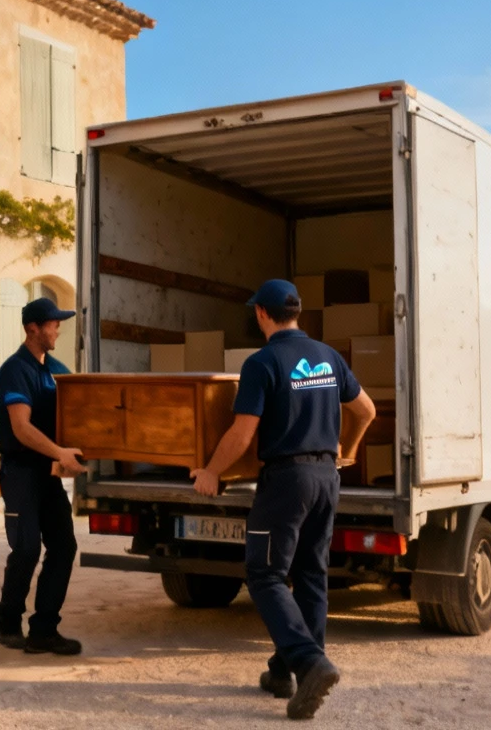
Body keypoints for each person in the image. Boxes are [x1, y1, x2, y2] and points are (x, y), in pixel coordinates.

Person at [190, 279, 377, 720]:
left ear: (261, 314)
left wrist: (212, 472)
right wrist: (345, 451)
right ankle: (284, 672)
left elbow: (242, 432)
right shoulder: (328, 357)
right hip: (325, 477)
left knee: (265, 574)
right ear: (297, 312)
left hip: (287, 480)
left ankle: (309, 662)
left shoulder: (262, 362)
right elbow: (366, 410)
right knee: (311, 574)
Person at [0, 296, 85, 656]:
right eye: (53, 323)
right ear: (33, 328)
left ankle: (44, 629)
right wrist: (60, 452)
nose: (58, 328)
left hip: (47, 473)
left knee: (64, 546)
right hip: (20, 471)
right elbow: (20, 428)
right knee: (27, 548)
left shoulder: (56, 368)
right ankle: (7, 621)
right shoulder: (15, 370)